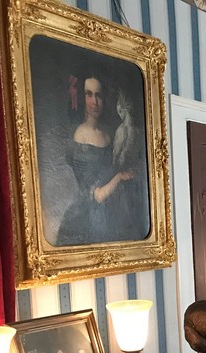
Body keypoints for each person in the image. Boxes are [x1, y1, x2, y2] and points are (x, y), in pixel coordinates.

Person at [56, 73, 145, 246]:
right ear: (82, 98)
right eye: (89, 94)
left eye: (99, 95)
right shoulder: (78, 138)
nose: (94, 102)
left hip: (114, 211)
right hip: (90, 215)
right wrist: (119, 177)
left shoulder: (109, 134)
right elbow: (96, 195)